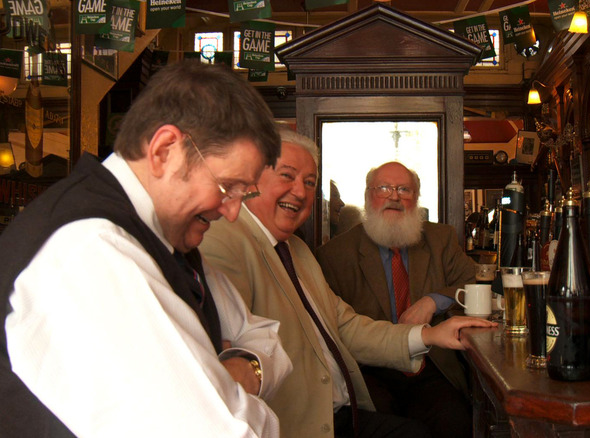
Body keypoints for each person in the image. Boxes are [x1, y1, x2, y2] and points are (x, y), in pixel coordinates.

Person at [0, 61, 293, 438]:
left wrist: (238, 374)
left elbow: (265, 338)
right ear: (164, 150)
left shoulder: (167, 242)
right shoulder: (93, 248)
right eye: (227, 187)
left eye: (242, 193)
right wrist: (228, 391)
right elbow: (220, 431)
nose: (233, 212)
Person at [200, 130, 494, 438]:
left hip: (379, 388)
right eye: (287, 175)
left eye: (309, 182)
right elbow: (221, 362)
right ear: (252, 180)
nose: (299, 191)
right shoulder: (227, 239)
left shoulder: (297, 250)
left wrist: (429, 331)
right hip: (307, 414)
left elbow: (345, 326)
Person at [314, 161, 476, 438]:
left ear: (416, 198)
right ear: (368, 197)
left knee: (454, 419)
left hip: (430, 363)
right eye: (384, 188)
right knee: (387, 424)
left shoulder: (441, 238)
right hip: (371, 369)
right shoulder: (335, 255)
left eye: (404, 190)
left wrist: (433, 301)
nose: (394, 197)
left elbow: (474, 282)